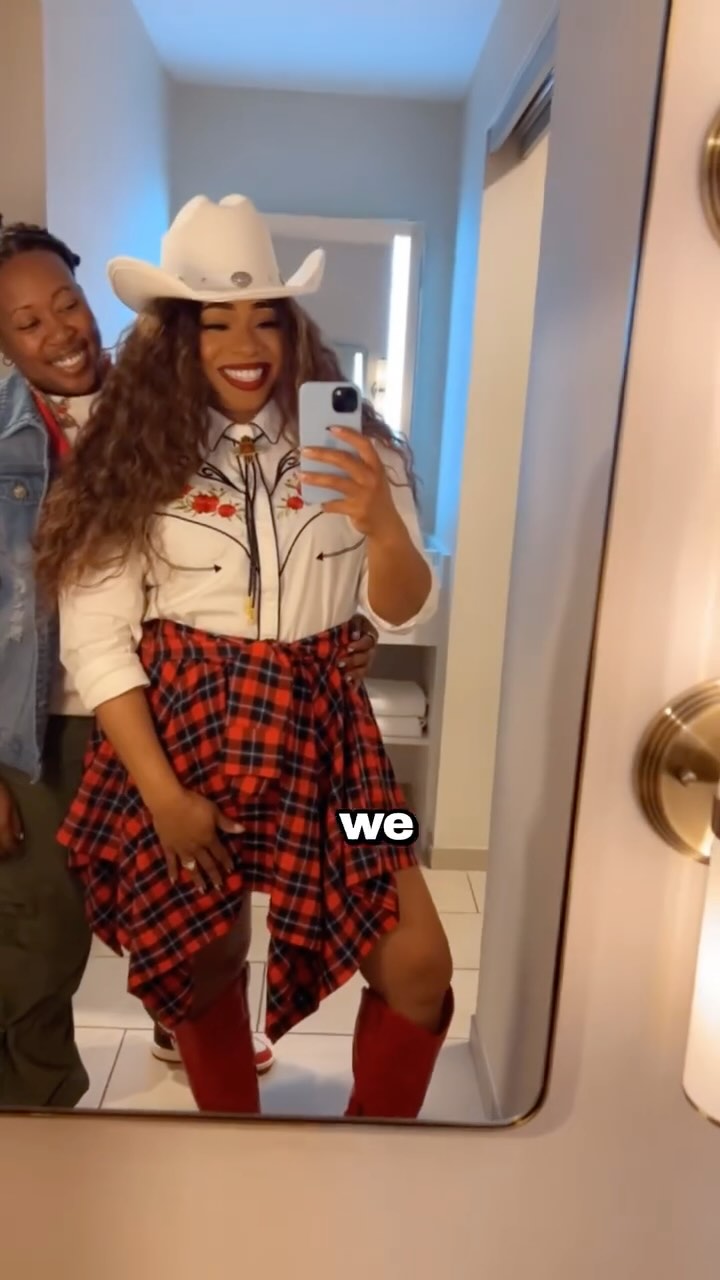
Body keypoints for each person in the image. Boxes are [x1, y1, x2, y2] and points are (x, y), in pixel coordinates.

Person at [35, 194, 454, 1118]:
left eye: (266, 317)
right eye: (215, 321)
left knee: (420, 959)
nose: (245, 342)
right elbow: (97, 642)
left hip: (338, 747)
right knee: (204, 954)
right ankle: (232, 1134)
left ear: (293, 330)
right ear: (177, 339)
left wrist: (383, 526)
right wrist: (162, 797)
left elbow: (403, 606)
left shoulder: (357, 446)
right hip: (187, 744)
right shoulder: (129, 456)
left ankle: (377, 1150)